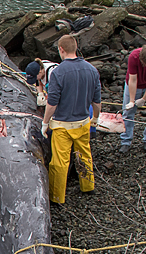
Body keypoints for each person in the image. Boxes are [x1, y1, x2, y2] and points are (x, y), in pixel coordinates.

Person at [42, 35, 102, 205]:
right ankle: (88, 186)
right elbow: (96, 101)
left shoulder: (58, 72)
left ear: (61, 49)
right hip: (83, 121)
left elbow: (52, 103)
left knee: (60, 162)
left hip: (62, 125)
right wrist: (95, 118)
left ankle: (57, 196)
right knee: (84, 155)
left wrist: (45, 123)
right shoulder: (92, 70)